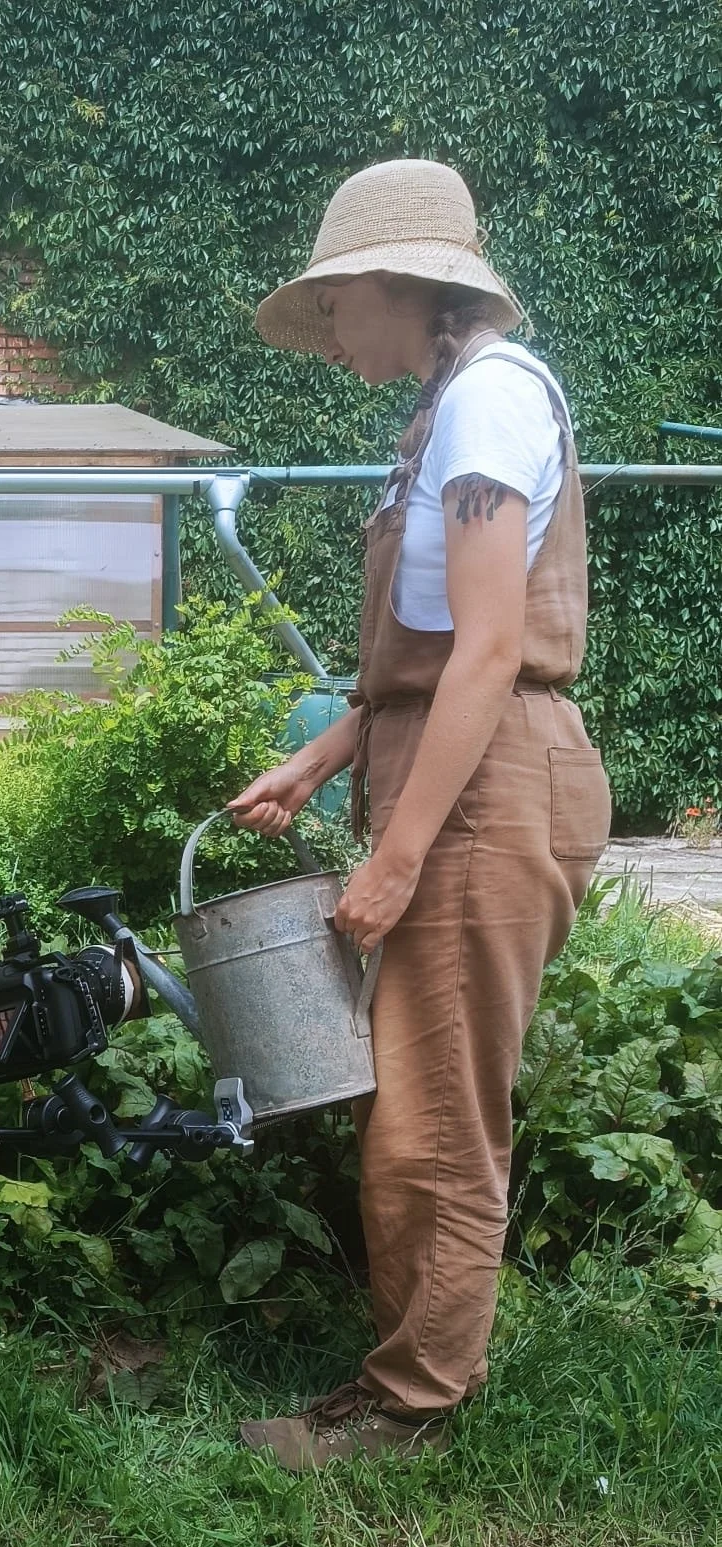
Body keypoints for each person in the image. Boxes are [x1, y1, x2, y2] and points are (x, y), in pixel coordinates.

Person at [227, 159, 611, 1471]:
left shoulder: (489, 403)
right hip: (458, 768)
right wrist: (331, 752)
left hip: (490, 791)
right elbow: (433, 655)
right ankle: (414, 1363)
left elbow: (494, 649)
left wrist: (395, 857)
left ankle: (413, 1411)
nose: (330, 336)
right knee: (415, 1098)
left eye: (338, 308)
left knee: (437, 1111)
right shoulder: (454, 409)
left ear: (406, 286)